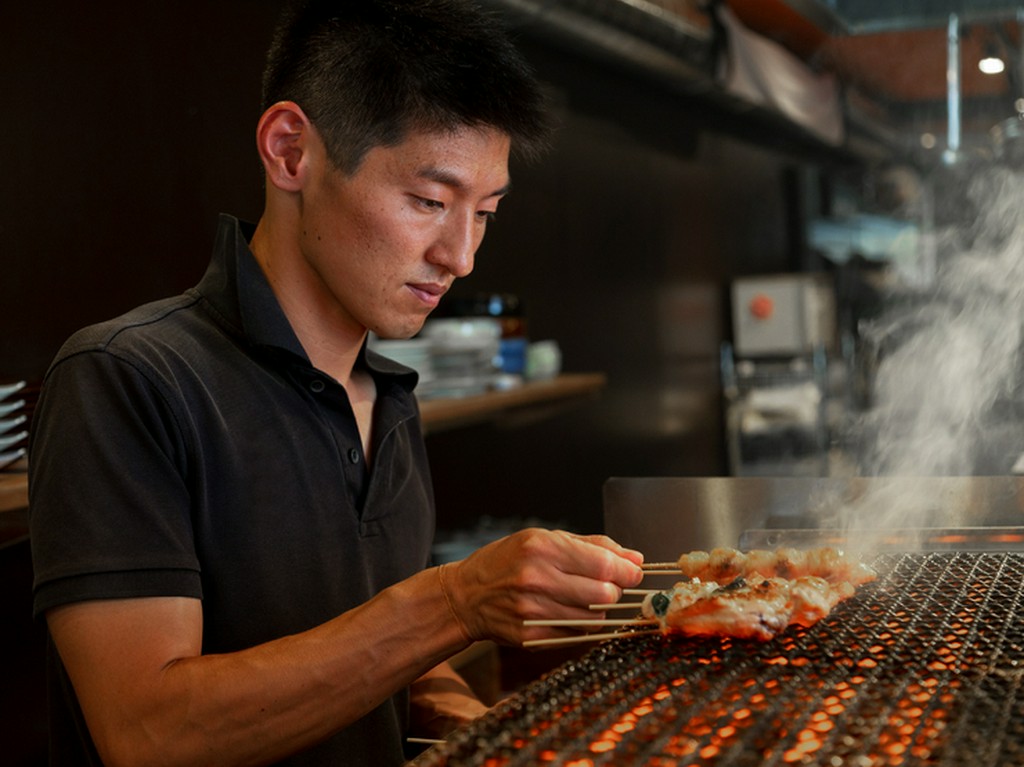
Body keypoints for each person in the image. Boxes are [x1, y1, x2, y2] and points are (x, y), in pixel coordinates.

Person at [27, 1, 645, 765]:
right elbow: (149, 730)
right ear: (290, 151)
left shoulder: (387, 399)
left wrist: (500, 739)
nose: (461, 256)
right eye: (428, 202)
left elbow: (387, 667)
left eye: (484, 213)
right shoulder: (128, 378)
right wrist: (453, 600)